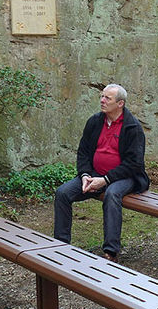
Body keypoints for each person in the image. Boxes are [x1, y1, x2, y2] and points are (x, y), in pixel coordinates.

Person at [53, 85, 150, 262]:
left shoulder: (133, 127)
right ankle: (61, 244)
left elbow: (134, 164)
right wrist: (84, 175)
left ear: (120, 103)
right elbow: (83, 152)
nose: (102, 100)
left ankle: (111, 252)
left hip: (126, 177)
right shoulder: (95, 121)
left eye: (108, 98)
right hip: (94, 174)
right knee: (62, 193)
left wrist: (105, 180)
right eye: (102, 96)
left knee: (112, 194)